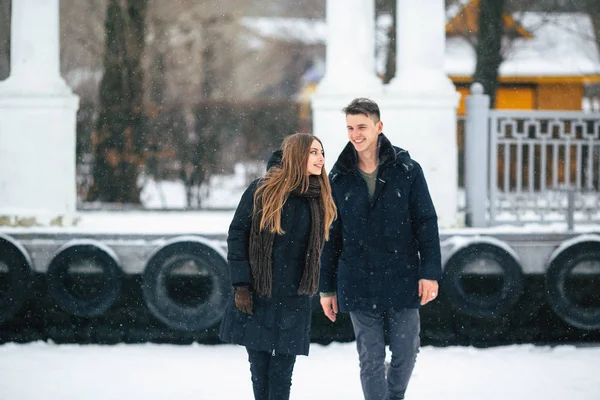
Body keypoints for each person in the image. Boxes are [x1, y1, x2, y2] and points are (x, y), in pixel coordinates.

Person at [319, 98, 441, 400]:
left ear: (379, 126)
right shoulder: (338, 177)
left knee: (406, 352)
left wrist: (430, 273)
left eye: (361, 126)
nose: (355, 134)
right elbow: (331, 237)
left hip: (402, 274)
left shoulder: (407, 169)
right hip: (357, 279)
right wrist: (326, 289)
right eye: (350, 128)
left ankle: (395, 396)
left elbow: (426, 222)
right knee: (370, 358)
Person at [219, 133, 337, 400]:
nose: (321, 158)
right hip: (258, 292)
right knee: (259, 369)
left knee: (283, 372)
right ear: (297, 156)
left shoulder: (319, 195)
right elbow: (238, 235)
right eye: (314, 152)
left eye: (322, 153)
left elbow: (326, 246)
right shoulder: (262, 189)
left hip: (294, 295)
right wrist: (241, 285)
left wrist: (329, 287)